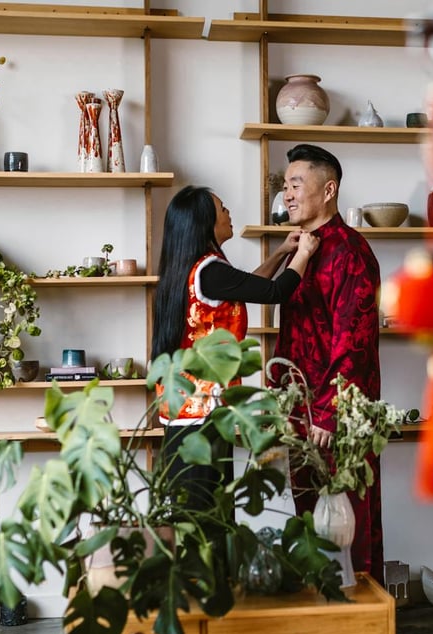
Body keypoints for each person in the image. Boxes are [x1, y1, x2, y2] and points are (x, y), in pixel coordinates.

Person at [151, 185, 319, 512]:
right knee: (209, 524)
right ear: (205, 223)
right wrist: (304, 254)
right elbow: (274, 292)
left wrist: (283, 252)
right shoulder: (209, 270)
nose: (228, 213)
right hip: (202, 420)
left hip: (185, 418)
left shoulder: (196, 269)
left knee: (199, 522)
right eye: (222, 208)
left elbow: (250, 286)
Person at [273, 144, 384, 582]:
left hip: (337, 416)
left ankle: (361, 621)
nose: (288, 195)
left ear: (329, 189)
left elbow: (352, 341)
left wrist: (328, 413)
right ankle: (320, 615)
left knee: (348, 520)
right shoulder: (302, 250)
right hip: (301, 412)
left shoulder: (350, 252)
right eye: (285, 186)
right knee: (309, 517)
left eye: (297, 184)